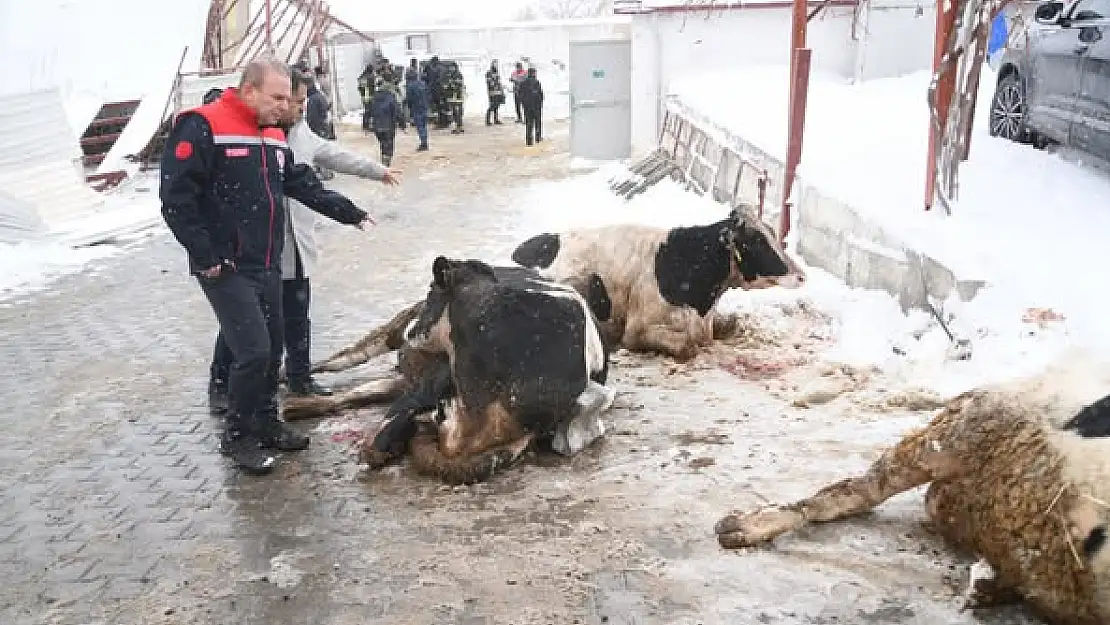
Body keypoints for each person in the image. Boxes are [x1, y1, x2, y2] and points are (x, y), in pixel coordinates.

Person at [160, 56, 373, 475]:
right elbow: (176, 199)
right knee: (253, 351)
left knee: (273, 346)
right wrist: (207, 257)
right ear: (249, 90)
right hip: (226, 266)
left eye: (286, 98)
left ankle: (267, 423)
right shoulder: (203, 125)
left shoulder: (274, 135)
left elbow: (300, 183)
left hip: (267, 262)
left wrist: (350, 212)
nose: (284, 105)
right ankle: (238, 437)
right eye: (276, 97)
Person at [209, 69, 401, 405]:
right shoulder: (251, 134)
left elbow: (335, 157)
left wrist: (376, 173)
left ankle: (298, 377)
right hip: (256, 249)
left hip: (296, 246)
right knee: (244, 325)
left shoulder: (300, 135)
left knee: (296, 317)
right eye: (293, 101)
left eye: (299, 102)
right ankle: (223, 385)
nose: (298, 108)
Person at [370, 76, 403, 165]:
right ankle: (386, 160)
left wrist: (366, 124)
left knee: (383, 142)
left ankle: (384, 157)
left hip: (377, 125)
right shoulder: (391, 97)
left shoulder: (373, 98)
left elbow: (369, 111)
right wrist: (402, 124)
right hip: (389, 125)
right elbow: (397, 111)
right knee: (389, 142)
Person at [406, 67, 430, 152]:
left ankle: (424, 143)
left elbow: (409, 99)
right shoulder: (423, 84)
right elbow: (428, 95)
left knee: (420, 126)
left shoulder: (410, 86)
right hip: (424, 106)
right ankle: (425, 141)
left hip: (416, 108)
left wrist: (409, 109)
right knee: (424, 125)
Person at [520, 66, 544, 146]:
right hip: (536, 107)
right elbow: (541, 95)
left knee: (529, 124)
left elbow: (520, 96)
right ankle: (538, 137)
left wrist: (524, 104)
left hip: (527, 107)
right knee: (537, 122)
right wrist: (540, 104)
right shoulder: (537, 82)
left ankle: (529, 140)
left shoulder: (523, 83)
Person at [443, 61, 466, 134]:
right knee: (454, 113)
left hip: (458, 97)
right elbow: (446, 85)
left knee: (458, 113)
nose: (451, 69)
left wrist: (450, 85)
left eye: (452, 67)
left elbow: (457, 85)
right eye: (450, 68)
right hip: (452, 98)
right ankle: (458, 126)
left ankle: (459, 127)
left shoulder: (458, 75)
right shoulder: (449, 75)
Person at [485, 60, 505, 126]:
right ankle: (487, 120)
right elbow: (490, 83)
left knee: (497, 106)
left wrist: (502, 90)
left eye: (496, 64)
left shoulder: (497, 72)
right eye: (494, 64)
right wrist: (495, 84)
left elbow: (499, 82)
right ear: (492, 64)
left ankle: (496, 119)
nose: (496, 65)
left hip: (498, 92)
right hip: (492, 92)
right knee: (492, 106)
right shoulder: (489, 73)